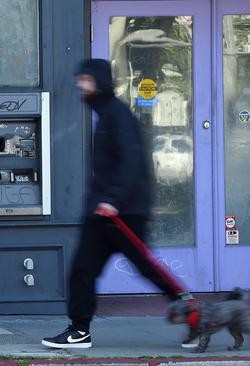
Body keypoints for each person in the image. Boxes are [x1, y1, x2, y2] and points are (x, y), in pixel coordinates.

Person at [41, 59, 193, 349]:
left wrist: (113, 200)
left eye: (86, 79)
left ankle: (195, 315)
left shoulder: (118, 115)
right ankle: (79, 330)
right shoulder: (106, 114)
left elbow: (132, 161)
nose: (80, 85)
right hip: (102, 214)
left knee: (147, 269)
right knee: (82, 270)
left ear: (99, 81)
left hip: (122, 212)